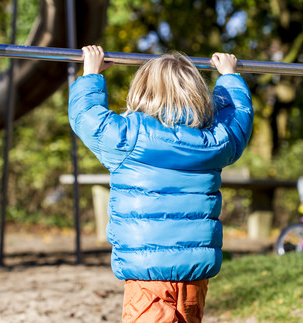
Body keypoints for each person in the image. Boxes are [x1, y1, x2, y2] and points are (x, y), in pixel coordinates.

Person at [68, 45, 253, 322]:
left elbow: (86, 116)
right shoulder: (215, 141)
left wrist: (91, 74)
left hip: (147, 276)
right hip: (194, 276)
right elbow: (238, 119)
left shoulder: (129, 138)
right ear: (198, 96)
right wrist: (228, 78)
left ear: (142, 92)